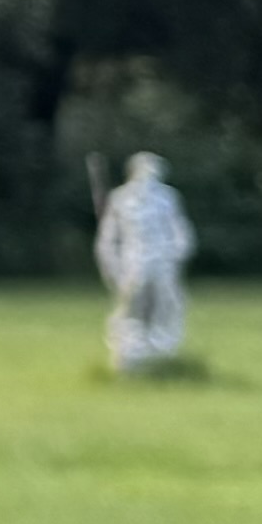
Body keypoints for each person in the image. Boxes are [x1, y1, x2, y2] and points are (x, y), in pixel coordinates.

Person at [96, 150, 191, 376]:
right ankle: (129, 358)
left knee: (168, 309)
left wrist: (176, 254)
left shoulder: (168, 198)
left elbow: (181, 232)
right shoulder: (120, 199)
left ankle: (163, 356)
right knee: (131, 313)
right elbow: (108, 239)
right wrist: (111, 267)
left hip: (162, 265)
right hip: (134, 264)